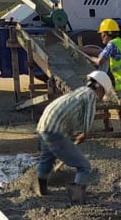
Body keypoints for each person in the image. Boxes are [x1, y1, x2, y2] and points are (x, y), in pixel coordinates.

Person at [35, 71, 112, 204]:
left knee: (47, 160)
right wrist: (86, 133)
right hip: (54, 130)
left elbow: (72, 117)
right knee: (84, 166)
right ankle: (77, 197)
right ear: (99, 88)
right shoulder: (90, 95)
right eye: (103, 93)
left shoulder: (79, 92)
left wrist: (74, 137)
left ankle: (41, 190)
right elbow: (88, 119)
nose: (101, 97)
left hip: (44, 126)